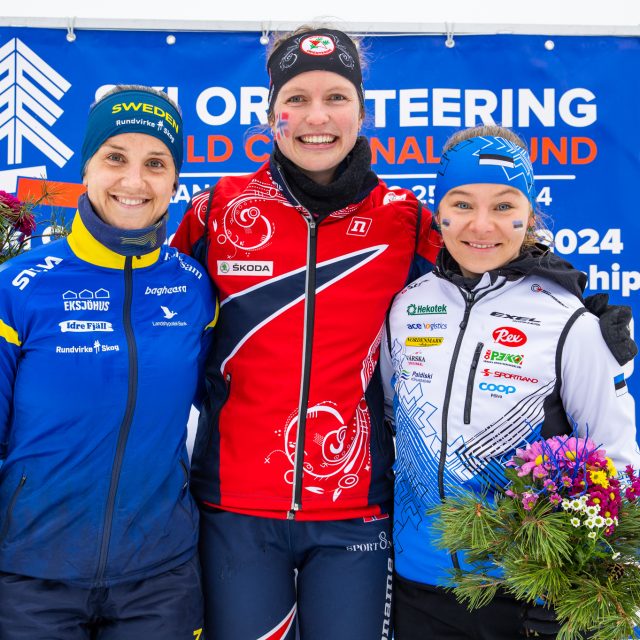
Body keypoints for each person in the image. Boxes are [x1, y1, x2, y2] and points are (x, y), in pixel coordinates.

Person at [171, 26, 440, 640]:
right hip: (235, 508)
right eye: (296, 98)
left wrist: (561, 290)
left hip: (355, 510)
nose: (316, 117)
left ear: (363, 111)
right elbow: (156, 309)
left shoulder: (404, 219)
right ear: (271, 115)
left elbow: (480, 282)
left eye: (336, 97)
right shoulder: (221, 209)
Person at [381, 124, 640, 640]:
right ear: (438, 211)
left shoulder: (571, 321)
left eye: (504, 206)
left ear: (528, 213)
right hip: (419, 589)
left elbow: (617, 462)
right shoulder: (407, 307)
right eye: (462, 203)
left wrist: (591, 580)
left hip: (526, 596)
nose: (482, 225)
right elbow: (392, 418)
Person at [0, 85, 216, 639]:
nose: (134, 181)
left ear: (174, 180)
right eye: (115, 157)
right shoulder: (20, 285)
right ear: (87, 166)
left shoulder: (194, 288)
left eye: (155, 163)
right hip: (30, 573)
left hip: (159, 577)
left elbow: (222, 404)